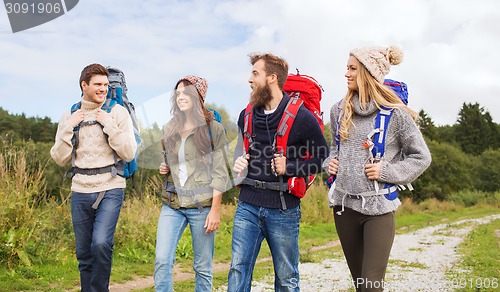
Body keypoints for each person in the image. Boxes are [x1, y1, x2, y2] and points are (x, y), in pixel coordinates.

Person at [324, 45, 432, 291]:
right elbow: (334, 150)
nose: (346, 74)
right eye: (347, 68)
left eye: (352, 69)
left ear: (368, 73)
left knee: (371, 286)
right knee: (360, 284)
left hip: (379, 210)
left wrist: (387, 172)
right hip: (343, 208)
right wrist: (329, 163)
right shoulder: (338, 111)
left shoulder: (396, 115)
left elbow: (421, 157)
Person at [228, 53, 329, 291]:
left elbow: (322, 157)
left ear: (272, 78)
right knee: (237, 271)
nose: (249, 80)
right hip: (247, 205)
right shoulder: (247, 115)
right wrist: (238, 163)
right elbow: (240, 151)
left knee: (286, 277)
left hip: (284, 209)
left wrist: (290, 168)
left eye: (255, 73)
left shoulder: (302, 117)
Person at [50, 63, 137, 291]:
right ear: (84, 85)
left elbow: (128, 152)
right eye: (98, 84)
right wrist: (69, 127)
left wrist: (108, 124)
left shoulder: (117, 112)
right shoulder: (69, 114)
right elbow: (59, 158)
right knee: (84, 253)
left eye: (106, 85)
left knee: (101, 243)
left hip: (111, 187)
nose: (103, 89)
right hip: (80, 189)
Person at [154, 75, 229, 292]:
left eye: (186, 92)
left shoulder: (213, 129)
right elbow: (172, 161)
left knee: (202, 267)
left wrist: (215, 210)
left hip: (202, 206)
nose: (181, 97)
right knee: (162, 260)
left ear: (199, 96)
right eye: (177, 93)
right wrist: (165, 167)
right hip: (172, 204)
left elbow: (220, 172)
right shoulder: (169, 127)